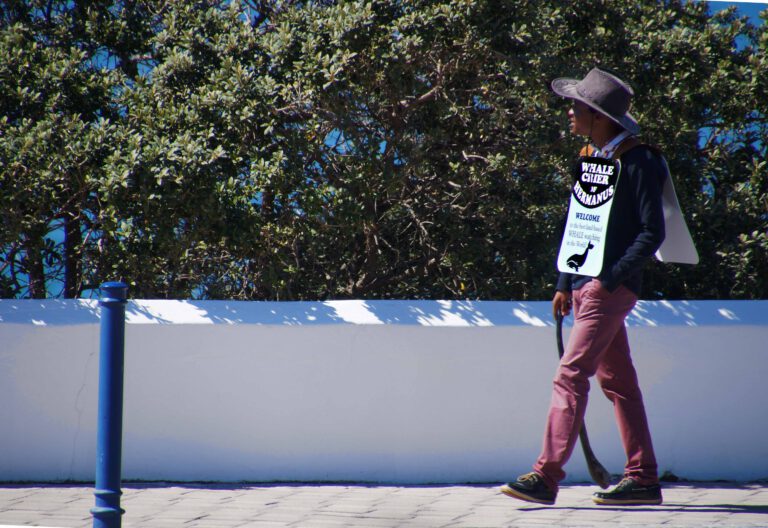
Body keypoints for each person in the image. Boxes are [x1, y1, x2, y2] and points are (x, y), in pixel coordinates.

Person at [501, 67, 666, 506]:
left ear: (598, 115)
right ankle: (644, 479)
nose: (570, 113)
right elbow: (579, 226)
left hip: (606, 289)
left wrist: (609, 279)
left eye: (576, 107)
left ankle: (546, 475)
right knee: (620, 385)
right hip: (584, 286)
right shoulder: (592, 160)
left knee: (571, 374)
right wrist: (564, 281)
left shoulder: (640, 161)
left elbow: (652, 233)